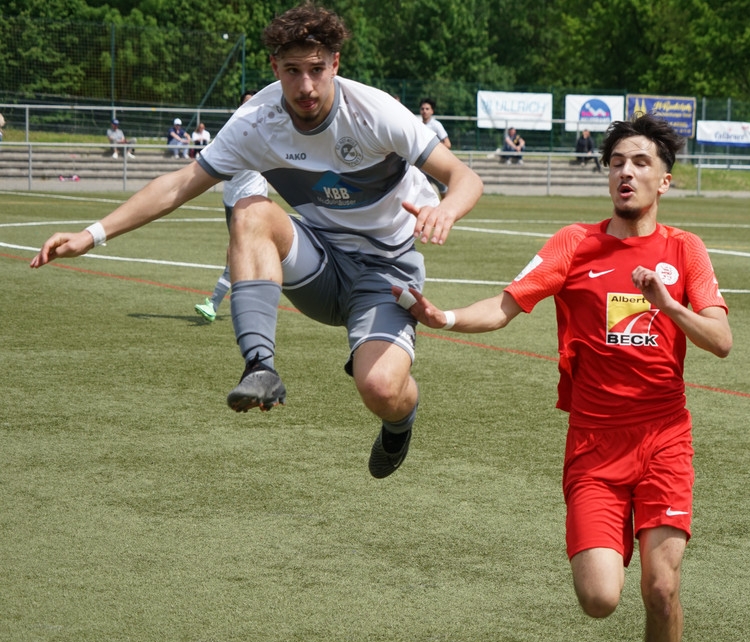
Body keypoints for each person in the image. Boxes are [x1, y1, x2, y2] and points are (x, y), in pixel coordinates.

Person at [30, 2, 484, 479]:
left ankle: (399, 424)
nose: (305, 86)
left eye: (316, 69)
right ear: (274, 67)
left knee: (381, 389)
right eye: (292, 71)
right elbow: (178, 185)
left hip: (385, 271)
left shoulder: (374, 112)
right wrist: (92, 234)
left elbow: (464, 177)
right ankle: (260, 367)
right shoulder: (256, 121)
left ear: (335, 64)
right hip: (319, 262)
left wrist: (446, 209)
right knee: (249, 209)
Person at [394, 114, 731, 642]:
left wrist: (667, 304)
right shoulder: (574, 243)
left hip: (664, 439)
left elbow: (721, 340)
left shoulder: (685, 249)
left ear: (664, 181)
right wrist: (443, 316)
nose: (626, 172)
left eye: (641, 163)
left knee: (661, 588)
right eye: (617, 162)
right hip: (594, 445)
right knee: (599, 598)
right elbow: (504, 306)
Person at [195, 92, 268, 323]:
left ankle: (214, 303)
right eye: (246, 103)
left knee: (238, 251)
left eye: (254, 102)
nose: (251, 106)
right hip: (231, 201)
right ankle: (252, 302)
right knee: (244, 253)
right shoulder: (231, 130)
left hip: (252, 201)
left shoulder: (265, 130)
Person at [418, 98, 450, 194]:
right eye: (422, 109)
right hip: (422, 164)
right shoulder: (418, 125)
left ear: (432, 111)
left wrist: (431, 150)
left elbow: (447, 144)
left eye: (427, 109)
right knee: (421, 192)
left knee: (443, 191)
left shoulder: (436, 125)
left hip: (435, 163)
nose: (424, 111)